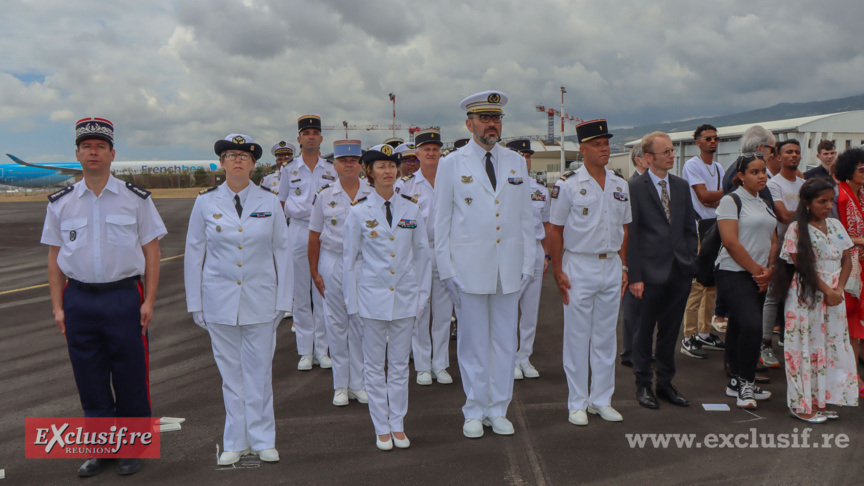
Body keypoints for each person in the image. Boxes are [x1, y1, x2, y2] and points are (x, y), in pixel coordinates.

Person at [42, 117, 166, 477]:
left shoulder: (135, 199)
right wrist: (58, 306)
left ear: (112, 154)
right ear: (77, 154)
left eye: (100, 146)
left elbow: (152, 252)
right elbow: (54, 258)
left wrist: (149, 300)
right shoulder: (61, 203)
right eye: (87, 146)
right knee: (89, 377)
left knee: (131, 375)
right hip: (78, 299)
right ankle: (101, 448)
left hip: (123, 297)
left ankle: (130, 447)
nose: (93, 152)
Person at [184, 134, 292, 465]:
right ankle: (235, 440)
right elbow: (194, 253)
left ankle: (262, 439)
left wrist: (284, 300)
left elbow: (283, 252)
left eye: (244, 156)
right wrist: (195, 303)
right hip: (219, 301)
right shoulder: (205, 202)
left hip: (261, 300)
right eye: (231, 155)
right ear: (222, 163)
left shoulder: (269, 202)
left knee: (259, 374)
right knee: (231, 376)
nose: (237, 161)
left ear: (253, 164)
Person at [434, 91, 534, 438]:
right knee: (473, 343)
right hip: (468, 269)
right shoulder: (451, 163)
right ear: (470, 124)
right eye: (485, 118)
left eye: (496, 118)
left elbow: (525, 217)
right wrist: (446, 270)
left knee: (505, 342)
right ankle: (475, 409)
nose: (492, 124)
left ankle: (498, 408)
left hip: (508, 267)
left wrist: (528, 264)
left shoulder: (515, 161)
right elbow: (441, 222)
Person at [343, 147, 431, 450]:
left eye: (392, 166)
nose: (388, 171)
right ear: (369, 172)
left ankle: (398, 424)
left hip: (405, 298)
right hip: (371, 299)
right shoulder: (358, 211)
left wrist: (421, 298)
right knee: (373, 366)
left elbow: (422, 256)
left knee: (399, 366)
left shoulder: (411, 209)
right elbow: (349, 261)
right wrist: (352, 303)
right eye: (381, 166)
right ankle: (381, 426)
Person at [549, 120, 630, 425]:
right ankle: (577, 402)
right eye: (597, 144)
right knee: (577, 337)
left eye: (606, 143)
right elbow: (555, 230)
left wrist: (623, 266)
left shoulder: (620, 184)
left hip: (610, 265)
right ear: (583, 150)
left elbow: (624, 229)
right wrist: (558, 270)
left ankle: (601, 399)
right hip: (579, 264)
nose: (604, 149)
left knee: (606, 338)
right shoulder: (568, 184)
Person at [774, 178, 859, 422]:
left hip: (834, 296)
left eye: (830, 200)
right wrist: (828, 291)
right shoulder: (796, 229)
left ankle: (818, 401)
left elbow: (847, 259)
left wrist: (839, 289)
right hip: (807, 296)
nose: (828, 206)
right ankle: (800, 405)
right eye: (822, 201)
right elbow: (803, 268)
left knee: (827, 346)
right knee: (803, 347)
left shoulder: (835, 225)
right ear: (807, 202)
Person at [627, 131, 698, 410]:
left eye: (672, 150)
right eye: (666, 152)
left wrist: (690, 261)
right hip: (647, 275)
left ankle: (665, 383)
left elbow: (689, 228)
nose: (672, 155)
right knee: (643, 332)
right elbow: (631, 235)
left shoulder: (681, 186)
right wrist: (635, 276)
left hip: (679, 272)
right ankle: (643, 384)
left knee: (670, 332)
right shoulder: (634, 187)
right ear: (648, 157)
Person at [308, 140, 372, 407]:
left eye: (354, 160)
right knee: (336, 324)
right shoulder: (324, 196)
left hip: (363, 263)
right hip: (333, 262)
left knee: (361, 325)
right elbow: (314, 237)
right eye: (343, 161)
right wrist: (314, 272)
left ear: (361, 165)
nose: (349, 165)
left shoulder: (373, 193)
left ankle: (359, 384)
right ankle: (340, 386)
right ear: (334, 165)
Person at [715, 154, 777, 409]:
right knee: (752, 327)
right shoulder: (731, 200)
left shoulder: (764, 202)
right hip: (733, 272)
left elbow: (773, 239)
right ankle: (746, 382)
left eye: (764, 171)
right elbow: (730, 242)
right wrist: (758, 271)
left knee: (740, 326)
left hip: (759, 274)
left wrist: (769, 270)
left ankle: (735, 383)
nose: (762, 176)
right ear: (741, 176)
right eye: (755, 172)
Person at [395, 129, 455, 386]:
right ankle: (422, 365)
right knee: (420, 309)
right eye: (426, 149)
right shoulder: (406, 185)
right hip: (417, 251)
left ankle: (440, 364)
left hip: (445, 249)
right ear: (417, 154)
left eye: (435, 149)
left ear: (440, 153)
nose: (431, 153)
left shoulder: (451, 181)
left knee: (443, 311)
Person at [278, 115, 334, 370]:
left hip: (325, 232)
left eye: (315, 133)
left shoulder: (331, 169)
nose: (311, 137)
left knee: (323, 291)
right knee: (301, 292)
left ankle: (322, 349)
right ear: (299, 139)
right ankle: (305, 351)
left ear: (321, 138)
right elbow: (281, 202)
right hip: (299, 229)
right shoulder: (288, 169)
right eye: (306, 133)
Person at [681, 124, 726, 359]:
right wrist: (720, 194)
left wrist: (715, 197)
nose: (713, 142)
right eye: (708, 138)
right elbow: (704, 197)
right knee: (698, 284)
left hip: (715, 225)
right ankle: (688, 336)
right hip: (699, 227)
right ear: (697, 142)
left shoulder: (718, 168)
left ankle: (705, 332)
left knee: (712, 283)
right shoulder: (692, 165)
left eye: (715, 138)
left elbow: (716, 199)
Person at [507, 138, 550, 381]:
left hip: (534, 249)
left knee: (531, 309)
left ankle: (524, 357)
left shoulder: (540, 189)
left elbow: (547, 225)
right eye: (520, 156)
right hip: (511, 250)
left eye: (528, 156)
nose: (525, 160)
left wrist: (547, 254)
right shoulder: (502, 187)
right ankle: (509, 358)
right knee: (508, 307)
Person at [761, 140, 805, 366]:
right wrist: (808, 212)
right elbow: (784, 216)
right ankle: (765, 344)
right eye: (789, 152)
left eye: (797, 151)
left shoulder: (804, 183)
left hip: (802, 247)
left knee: (796, 295)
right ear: (778, 157)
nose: (794, 155)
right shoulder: (773, 184)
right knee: (773, 296)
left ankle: (790, 341)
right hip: (780, 247)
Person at [831, 147, 864, 395]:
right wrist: (859, 242)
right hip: (843, 264)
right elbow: (833, 232)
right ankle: (850, 375)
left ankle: (853, 374)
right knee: (847, 318)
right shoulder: (837, 196)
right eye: (861, 169)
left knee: (855, 320)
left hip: (858, 263)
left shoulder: (860, 194)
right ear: (848, 171)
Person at [621, 144, 647, 366]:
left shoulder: (653, 184)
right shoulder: (630, 186)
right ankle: (630, 351)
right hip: (634, 252)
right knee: (631, 308)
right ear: (638, 160)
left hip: (651, 256)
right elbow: (628, 227)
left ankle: (642, 350)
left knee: (646, 309)